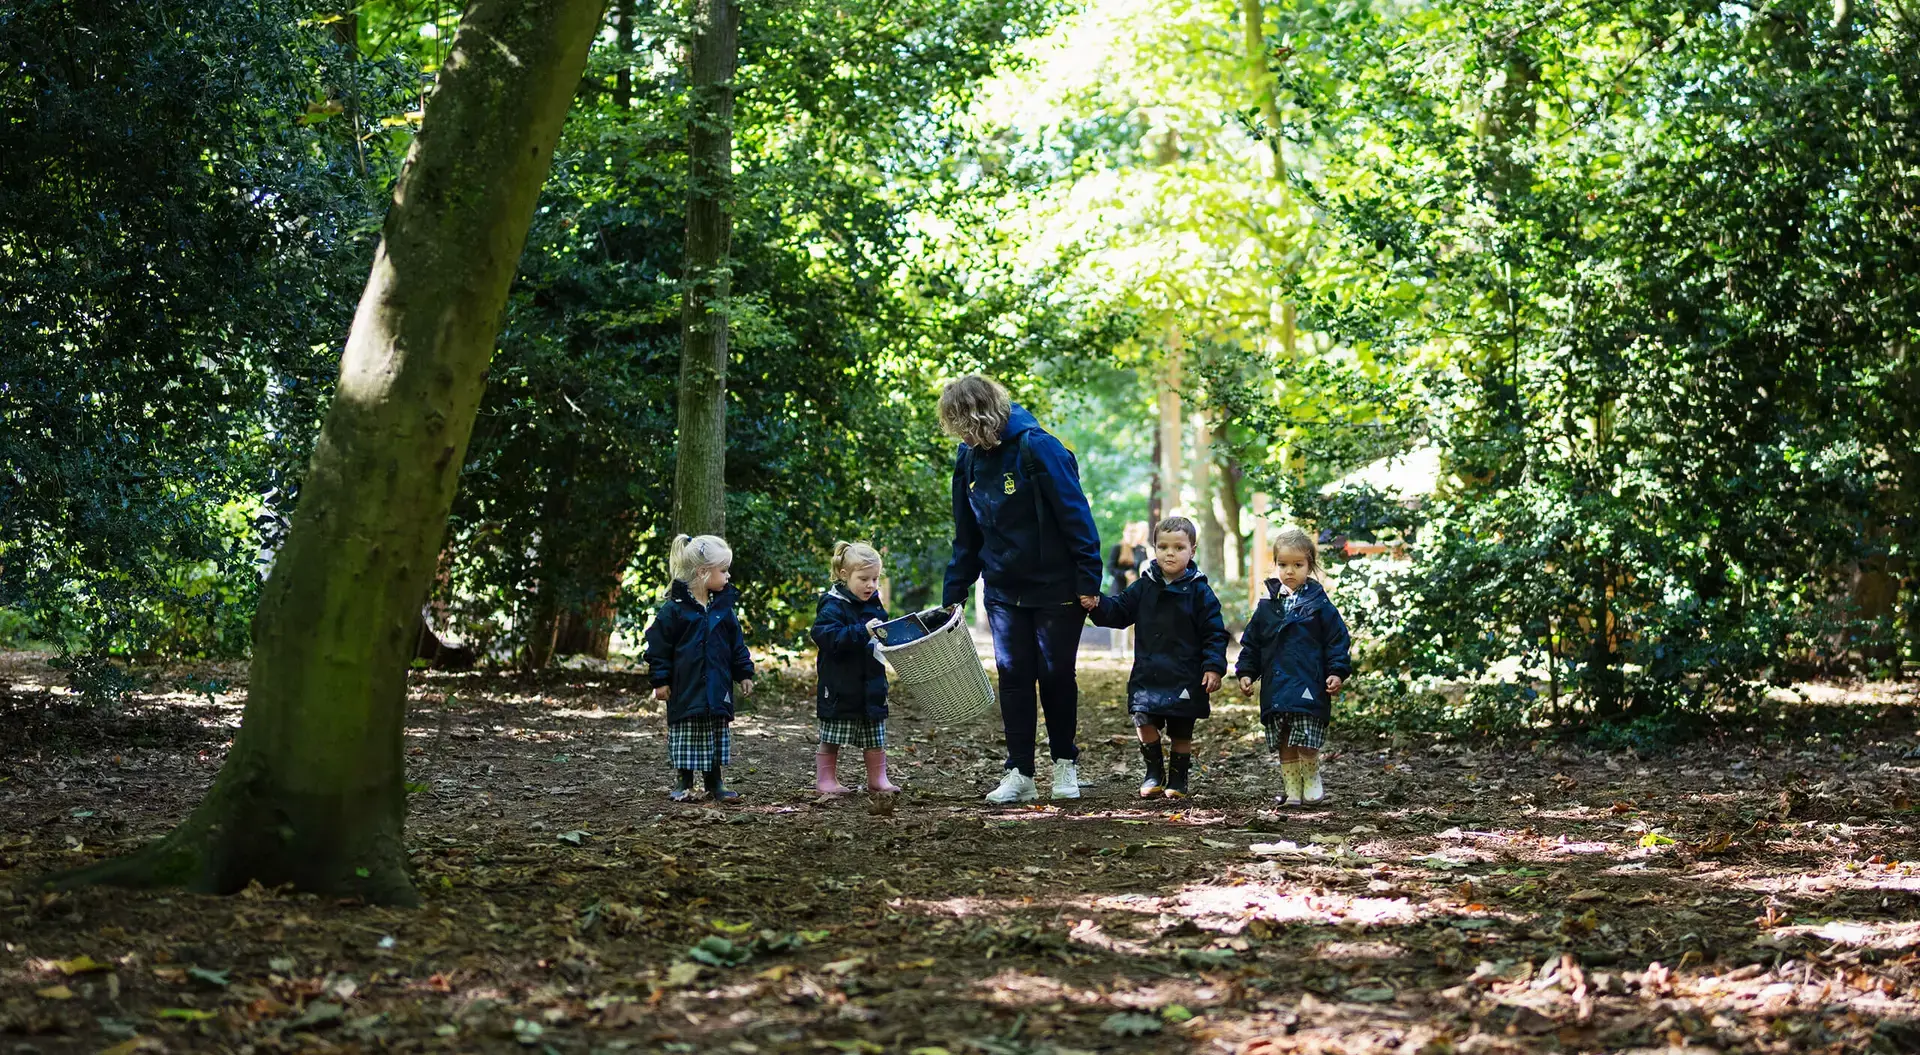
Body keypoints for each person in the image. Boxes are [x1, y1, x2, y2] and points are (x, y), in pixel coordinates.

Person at [939, 375, 1104, 804]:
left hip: (1057, 586)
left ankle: (1065, 765)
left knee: (1054, 674)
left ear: (981, 415)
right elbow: (967, 534)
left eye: (963, 424)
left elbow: (1077, 518)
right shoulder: (969, 458)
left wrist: (1089, 580)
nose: (960, 434)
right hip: (1003, 587)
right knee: (1013, 675)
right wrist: (953, 592)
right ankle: (1020, 772)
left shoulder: (1039, 447)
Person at [1081, 516, 1229, 798]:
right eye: (1163, 547)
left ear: (1192, 551)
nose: (1170, 553)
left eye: (1178, 547)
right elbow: (1119, 611)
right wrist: (1097, 604)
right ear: (1154, 549)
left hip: (1186, 673)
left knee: (1181, 730)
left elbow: (1214, 632)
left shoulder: (1200, 591)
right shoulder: (1144, 585)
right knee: (1143, 718)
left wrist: (1213, 667)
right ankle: (1153, 773)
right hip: (1149, 671)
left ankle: (1178, 778)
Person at [1235, 525, 1352, 806]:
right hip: (1276, 685)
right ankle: (1292, 788)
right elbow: (1252, 642)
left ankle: (1311, 778)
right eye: (1283, 564)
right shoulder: (1267, 606)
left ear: (1309, 565)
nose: (1290, 571)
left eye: (1297, 565)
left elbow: (1337, 640)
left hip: (1309, 680)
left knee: (1307, 735)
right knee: (1284, 737)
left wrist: (1336, 671)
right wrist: (1247, 672)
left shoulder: (1320, 605)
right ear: (1275, 565)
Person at [645, 534, 755, 803]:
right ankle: (683, 781)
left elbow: (736, 644)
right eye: (724, 570)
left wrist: (744, 673)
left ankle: (714, 782)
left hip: (716, 685)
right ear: (703, 572)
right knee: (685, 732)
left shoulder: (723, 609)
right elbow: (658, 648)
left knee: (714, 732)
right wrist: (660, 680)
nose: (728, 576)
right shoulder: (674, 610)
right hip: (686, 686)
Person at [809, 541, 900, 796]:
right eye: (864, 579)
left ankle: (878, 778)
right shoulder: (832, 604)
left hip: (871, 684)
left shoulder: (874, 603)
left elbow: (883, 632)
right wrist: (863, 631)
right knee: (831, 737)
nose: (870, 585)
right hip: (840, 686)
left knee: (875, 737)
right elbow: (828, 638)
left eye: (875, 579)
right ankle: (826, 779)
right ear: (844, 575)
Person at [1107, 520, 1149, 595]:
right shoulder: (1117, 548)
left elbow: (1144, 568)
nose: (1131, 534)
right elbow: (1110, 567)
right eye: (1129, 531)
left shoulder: (1141, 549)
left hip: (1136, 590)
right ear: (1124, 532)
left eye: (1134, 531)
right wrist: (1124, 574)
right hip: (1119, 589)